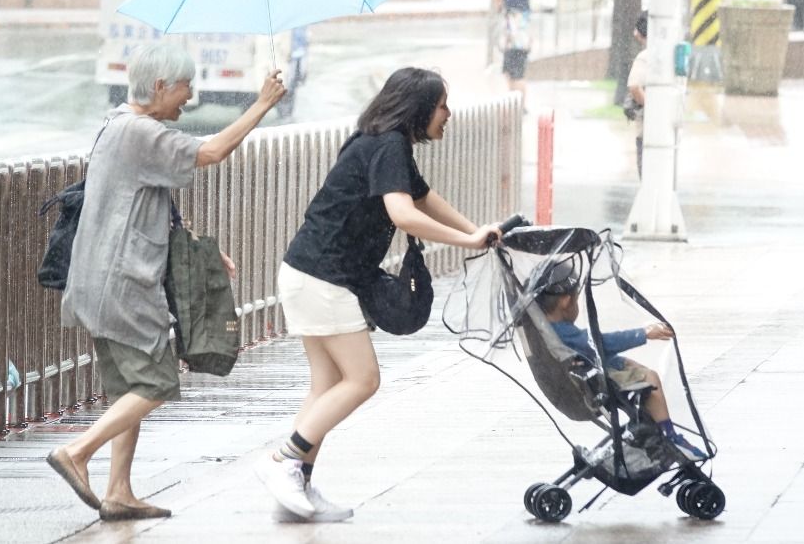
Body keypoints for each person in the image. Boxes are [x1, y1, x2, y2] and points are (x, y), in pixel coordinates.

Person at [47, 43, 286, 521]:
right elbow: (212, 150)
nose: (189, 97)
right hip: (124, 283)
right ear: (159, 87)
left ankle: (119, 491)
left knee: (126, 390)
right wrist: (262, 103)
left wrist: (198, 245)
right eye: (183, 87)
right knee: (156, 381)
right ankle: (78, 451)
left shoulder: (117, 124)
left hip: (95, 278)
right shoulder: (140, 131)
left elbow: (144, 202)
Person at [257, 67, 505, 522]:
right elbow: (404, 213)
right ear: (420, 107)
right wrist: (467, 242)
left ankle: (298, 494)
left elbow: (424, 198)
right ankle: (283, 461)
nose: (447, 114)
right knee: (363, 379)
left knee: (327, 386)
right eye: (442, 104)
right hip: (323, 276)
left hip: (311, 271)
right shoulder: (388, 144)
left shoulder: (384, 142)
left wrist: (478, 231)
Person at [532, 259, 706, 460]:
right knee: (650, 378)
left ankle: (651, 430)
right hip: (593, 385)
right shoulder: (564, 333)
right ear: (565, 301)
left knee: (630, 367)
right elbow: (600, 343)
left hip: (572, 382)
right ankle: (668, 435)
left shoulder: (544, 329)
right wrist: (644, 334)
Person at [490, 0, 532, 106]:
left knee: (517, 75)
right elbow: (498, 3)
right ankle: (516, 103)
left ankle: (520, 105)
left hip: (517, 42)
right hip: (514, 42)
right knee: (510, 73)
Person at [625, 11, 649, 178]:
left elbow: (634, 86)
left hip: (646, 131)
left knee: (647, 178)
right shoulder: (665, 55)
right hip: (664, 131)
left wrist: (650, 107)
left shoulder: (644, 57)